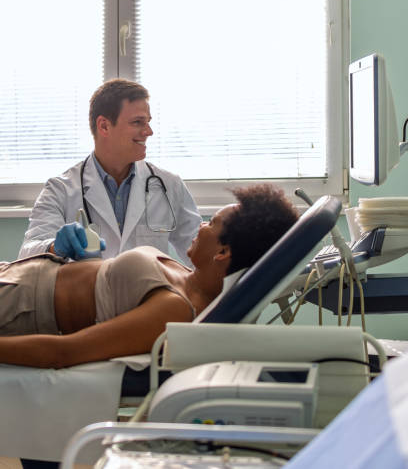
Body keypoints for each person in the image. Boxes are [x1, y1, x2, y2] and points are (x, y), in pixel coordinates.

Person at [0, 184, 298, 369]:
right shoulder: (185, 275)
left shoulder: (175, 308)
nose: (202, 225)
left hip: (19, 303)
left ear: (223, 252)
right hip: (19, 275)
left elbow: (64, 353)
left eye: (212, 223)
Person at [18, 79, 202, 266]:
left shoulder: (169, 185)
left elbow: (202, 254)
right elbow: (27, 255)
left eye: (148, 122)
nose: (149, 131)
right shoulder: (60, 189)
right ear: (104, 126)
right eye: (138, 122)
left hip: (151, 286)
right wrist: (54, 247)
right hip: (90, 286)